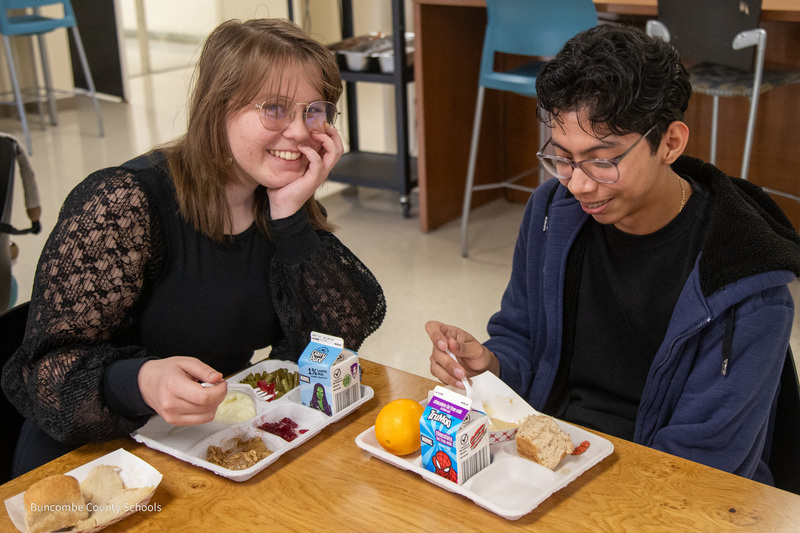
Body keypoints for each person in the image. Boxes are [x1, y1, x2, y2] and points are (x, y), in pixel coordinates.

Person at [2, 18, 386, 476]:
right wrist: (140, 380)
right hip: (90, 461)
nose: (302, 132)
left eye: (315, 111)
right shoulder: (122, 202)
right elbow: (41, 375)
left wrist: (291, 219)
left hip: (204, 449)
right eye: (276, 109)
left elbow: (335, 339)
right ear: (217, 108)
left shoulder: (275, 201)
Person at [426, 24, 800, 484]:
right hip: (554, 463)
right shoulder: (551, 213)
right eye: (561, 157)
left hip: (663, 487)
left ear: (670, 143)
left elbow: (704, 468)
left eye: (603, 160)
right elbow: (521, 336)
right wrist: (491, 364)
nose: (578, 184)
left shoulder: (746, 280)